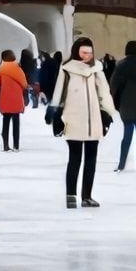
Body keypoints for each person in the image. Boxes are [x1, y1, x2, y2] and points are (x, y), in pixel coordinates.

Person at [50, 35, 117, 208]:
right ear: (77, 52)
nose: (87, 55)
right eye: (83, 52)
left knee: (91, 158)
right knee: (75, 157)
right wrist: (54, 110)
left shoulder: (97, 70)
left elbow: (104, 92)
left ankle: (87, 195)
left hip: (93, 120)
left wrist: (107, 112)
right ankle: (71, 195)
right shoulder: (67, 69)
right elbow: (59, 90)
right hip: (73, 119)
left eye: (89, 52)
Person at [0, 49, 30, 152]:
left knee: (5, 123)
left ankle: (5, 145)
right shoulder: (19, 69)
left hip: (5, 99)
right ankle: (16, 146)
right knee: (16, 123)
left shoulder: (1, 70)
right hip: (17, 99)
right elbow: (24, 84)